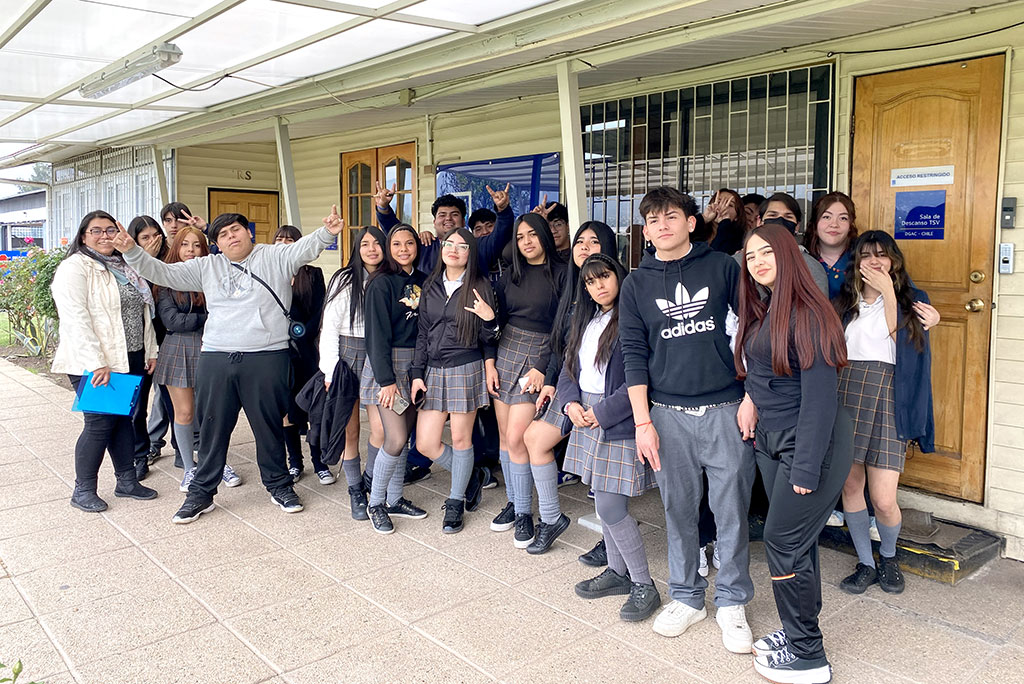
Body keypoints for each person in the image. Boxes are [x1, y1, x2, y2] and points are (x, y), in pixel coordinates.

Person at [114, 206, 346, 523]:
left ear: (248, 232)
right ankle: (201, 493)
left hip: (267, 356)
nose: (230, 236)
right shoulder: (207, 266)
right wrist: (130, 250)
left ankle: (279, 485)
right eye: (222, 234)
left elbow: (305, 247)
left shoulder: (275, 256)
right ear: (217, 244)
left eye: (235, 229)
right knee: (212, 427)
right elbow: (162, 274)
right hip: (217, 357)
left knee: (269, 427)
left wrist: (328, 232)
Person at [619, 186, 755, 653]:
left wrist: (752, 395)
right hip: (667, 415)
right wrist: (643, 422)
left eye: (671, 216)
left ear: (691, 222)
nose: (662, 225)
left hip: (725, 409)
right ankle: (687, 596)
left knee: (731, 510)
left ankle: (733, 600)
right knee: (677, 510)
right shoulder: (636, 283)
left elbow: (753, 331)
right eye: (653, 219)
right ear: (645, 229)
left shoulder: (722, 268)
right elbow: (634, 354)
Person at [736, 223, 853, 684]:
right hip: (772, 438)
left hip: (810, 445)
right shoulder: (766, 308)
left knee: (783, 542)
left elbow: (821, 400)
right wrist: (752, 401)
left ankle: (809, 656)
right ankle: (797, 628)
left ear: (790, 256)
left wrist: (806, 466)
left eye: (768, 252)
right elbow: (767, 372)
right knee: (796, 541)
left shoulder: (809, 313)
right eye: (751, 256)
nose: (759, 261)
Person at [835, 231, 937, 596]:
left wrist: (891, 293)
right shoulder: (844, 302)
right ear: (856, 261)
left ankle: (889, 556)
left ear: (894, 260)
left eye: (882, 255)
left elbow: (905, 343)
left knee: (883, 498)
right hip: (846, 392)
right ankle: (865, 561)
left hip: (890, 395)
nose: (874, 261)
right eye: (866, 255)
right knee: (850, 484)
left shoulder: (915, 300)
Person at [563, 253, 662, 622]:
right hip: (585, 413)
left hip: (616, 419)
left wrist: (600, 413)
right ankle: (619, 574)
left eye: (604, 277)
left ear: (618, 276)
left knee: (609, 506)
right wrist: (569, 403)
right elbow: (568, 367)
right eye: (590, 281)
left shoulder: (632, 318)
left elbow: (639, 380)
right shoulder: (587, 320)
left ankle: (643, 584)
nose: (598, 286)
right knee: (601, 497)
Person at [51, 210, 159, 512]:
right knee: (98, 423)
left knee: (123, 418)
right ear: (83, 236)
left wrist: (151, 350)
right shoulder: (75, 268)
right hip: (97, 362)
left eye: (110, 230)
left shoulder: (126, 266)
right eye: (96, 231)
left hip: (131, 356)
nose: (104, 236)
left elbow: (143, 314)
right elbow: (76, 319)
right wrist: (95, 362)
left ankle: (126, 481)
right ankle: (83, 489)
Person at [524, 220, 619, 557]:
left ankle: (612, 543)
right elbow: (561, 348)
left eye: (594, 242)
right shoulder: (574, 292)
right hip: (570, 387)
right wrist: (551, 383)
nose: (584, 247)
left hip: (607, 395)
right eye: (580, 241)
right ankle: (551, 518)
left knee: (604, 475)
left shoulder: (615, 296)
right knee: (534, 439)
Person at [409, 229, 500, 533]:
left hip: (466, 367)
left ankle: (456, 500)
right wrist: (417, 374)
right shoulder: (431, 284)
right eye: (450, 244)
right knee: (425, 443)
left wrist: (489, 319)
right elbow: (422, 332)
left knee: (461, 440)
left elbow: (490, 339)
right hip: (433, 369)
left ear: (470, 254)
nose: (455, 250)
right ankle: (471, 475)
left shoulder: (479, 287)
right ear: (442, 248)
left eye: (463, 247)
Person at [490, 213, 568, 550]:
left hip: (538, 354)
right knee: (506, 442)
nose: (526, 242)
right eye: (520, 237)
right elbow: (497, 321)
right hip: (506, 351)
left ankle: (525, 513)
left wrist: (542, 366)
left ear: (544, 236)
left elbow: (563, 328)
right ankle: (515, 501)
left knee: (517, 437)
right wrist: (490, 362)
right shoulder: (510, 275)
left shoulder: (564, 273)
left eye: (532, 234)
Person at [151, 227, 233, 492]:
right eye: (185, 244)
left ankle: (218, 464)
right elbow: (172, 320)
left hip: (213, 347)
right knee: (184, 412)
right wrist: (208, 318)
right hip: (177, 349)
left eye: (197, 245)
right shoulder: (166, 279)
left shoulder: (213, 275)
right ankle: (189, 468)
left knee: (213, 412)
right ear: (176, 248)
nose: (191, 250)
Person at [362, 224, 430, 534]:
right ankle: (375, 502)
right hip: (387, 366)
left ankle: (395, 499)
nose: (403, 249)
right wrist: (386, 380)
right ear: (389, 248)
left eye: (409, 243)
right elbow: (375, 337)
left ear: (417, 246)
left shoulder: (424, 281)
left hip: (414, 367)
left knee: (405, 434)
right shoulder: (380, 283)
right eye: (397, 243)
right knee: (395, 438)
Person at [320, 226, 387, 520]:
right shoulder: (345, 279)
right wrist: (330, 368)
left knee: (382, 428)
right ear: (357, 249)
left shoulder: (389, 279)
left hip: (378, 355)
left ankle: (371, 477)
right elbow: (329, 327)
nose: (372, 249)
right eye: (365, 244)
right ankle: (355, 488)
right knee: (350, 429)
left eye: (377, 244)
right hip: (346, 355)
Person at [272, 225, 331, 485]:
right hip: (279, 349)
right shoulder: (269, 272)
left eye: (290, 239)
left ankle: (320, 462)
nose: (284, 243)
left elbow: (320, 307)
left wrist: (305, 332)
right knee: (286, 410)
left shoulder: (313, 273)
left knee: (313, 406)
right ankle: (295, 463)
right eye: (279, 239)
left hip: (308, 349)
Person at [125, 215, 168, 481]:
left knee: (174, 403)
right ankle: (139, 455)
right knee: (136, 406)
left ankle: (185, 450)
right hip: (140, 345)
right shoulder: (127, 267)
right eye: (145, 238)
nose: (152, 242)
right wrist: (144, 262)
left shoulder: (170, 263)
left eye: (155, 235)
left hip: (169, 341)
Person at [803, 192, 858, 300]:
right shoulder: (801, 259)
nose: (834, 224)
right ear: (815, 223)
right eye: (826, 217)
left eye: (843, 218)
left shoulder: (861, 259)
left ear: (850, 225)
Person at [703, 188, 746, 255]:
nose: (723, 207)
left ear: (737, 216)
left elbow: (716, 256)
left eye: (730, 205)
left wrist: (724, 222)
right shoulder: (697, 230)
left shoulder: (740, 241)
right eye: (719, 202)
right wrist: (704, 218)